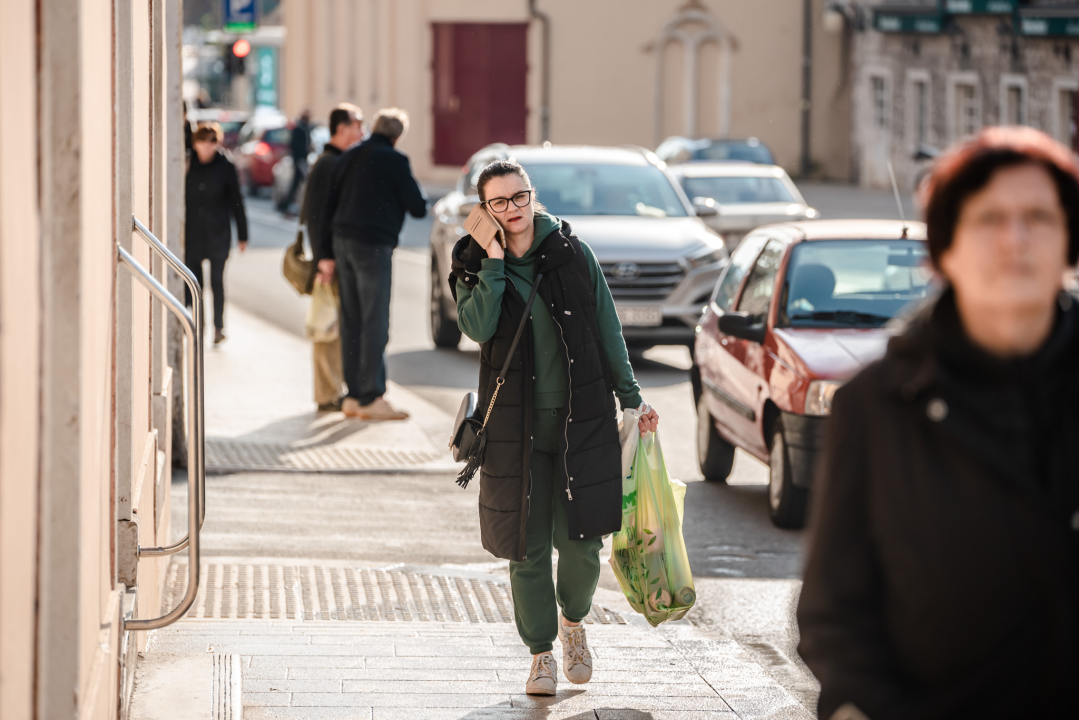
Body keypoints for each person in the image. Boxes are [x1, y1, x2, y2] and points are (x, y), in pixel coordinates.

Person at [797, 126, 1079, 719]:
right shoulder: (878, 407)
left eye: (1039, 217)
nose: (1016, 239)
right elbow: (835, 612)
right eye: (988, 220)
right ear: (944, 249)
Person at [450, 160, 660, 696]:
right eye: (499, 202)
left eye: (520, 197)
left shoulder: (572, 254)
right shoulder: (472, 262)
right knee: (527, 549)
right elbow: (476, 327)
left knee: (584, 542)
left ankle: (574, 624)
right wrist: (494, 263)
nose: (513, 209)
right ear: (484, 210)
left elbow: (607, 328)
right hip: (513, 432)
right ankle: (540, 653)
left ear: (532, 196)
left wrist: (633, 400)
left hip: (580, 422)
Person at [317, 108, 427, 420]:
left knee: (351, 320)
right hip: (372, 245)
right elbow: (418, 207)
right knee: (374, 321)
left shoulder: (349, 156)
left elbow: (328, 205)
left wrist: (325, 251)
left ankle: (352, 395)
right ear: (397, 136)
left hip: (342, 242)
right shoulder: (395, 160)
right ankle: (371, 396)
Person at [299, 103, 364, 412]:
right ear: (342, 128)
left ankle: (332, 390)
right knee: (327, 329)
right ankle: (326, 395)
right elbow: (315, 213)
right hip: (329, 261)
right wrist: (323, 256)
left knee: (334, 327)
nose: (361, 132)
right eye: (357, 125)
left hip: (334, 258)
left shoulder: (336, 160)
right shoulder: (328, 163)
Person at [184, 123, 248, 344]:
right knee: (195, 284)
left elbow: (237, 202)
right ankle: (198, 327)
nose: (208, 146)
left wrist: (243, 235)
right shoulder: (186, 163)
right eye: (203, 141)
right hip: (192, 233)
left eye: (212, 141)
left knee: (217, 281)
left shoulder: (225, 166)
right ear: (195, 143)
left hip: (218, 233)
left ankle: (218, 327)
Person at [279, 108, 312, 215]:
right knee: (302, 183)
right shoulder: (299, 128)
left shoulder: (305, 128)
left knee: (297, 184)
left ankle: (287, 205)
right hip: (300, 159)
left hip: (301, 159)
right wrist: (302, 153)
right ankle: (287, 205)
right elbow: (295, 145)